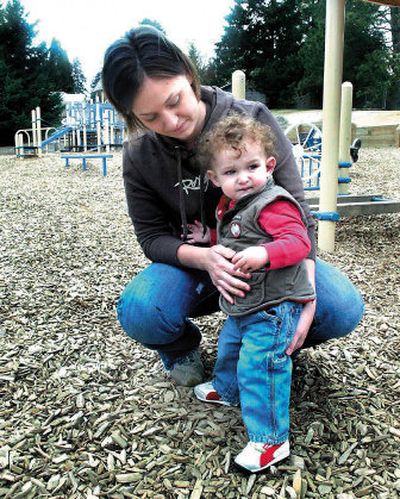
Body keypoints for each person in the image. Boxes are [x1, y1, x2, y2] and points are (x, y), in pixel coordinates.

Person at [101, 25, 364, 388]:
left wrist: (307, 293)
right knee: (140, 310)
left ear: (189, 76)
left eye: (174, 101)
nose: (172, 122)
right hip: (195, 265)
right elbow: (151, 238)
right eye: (151, 118)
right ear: (132, 116)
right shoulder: (140, 153)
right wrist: (207, 258)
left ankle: (264, 343)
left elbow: (300, 217)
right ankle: (181, 348)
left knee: (341, 308)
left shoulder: (251, 119)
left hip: (266, 260)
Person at [189, 113, 315, 472]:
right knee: (230, 347)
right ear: (214, 179)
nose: (243, 177)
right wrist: (212, 245)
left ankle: (271, 439)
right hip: (245, 303)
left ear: (269, 166)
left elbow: (298, 242)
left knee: (261, 366)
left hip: (273, 306)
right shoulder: (231, 204)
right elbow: (235, 235)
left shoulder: (273, 203)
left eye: (252, 166)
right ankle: (228, 390)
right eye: (231, 172)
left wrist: (265, 253)